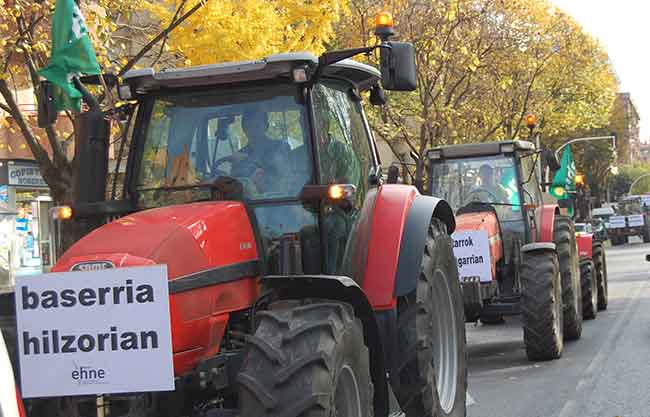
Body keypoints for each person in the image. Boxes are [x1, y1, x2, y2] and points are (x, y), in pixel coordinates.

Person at [231, 110, 290, 193]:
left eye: (257, 125)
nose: (253, 130)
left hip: (280, 200)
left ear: (266, 126)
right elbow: (235, 186)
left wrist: (264, 176)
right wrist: (250, 182)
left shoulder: (280, 148)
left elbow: (287, 177)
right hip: (249, 202)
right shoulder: (239, 157)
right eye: (249, 126)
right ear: (244, 129)